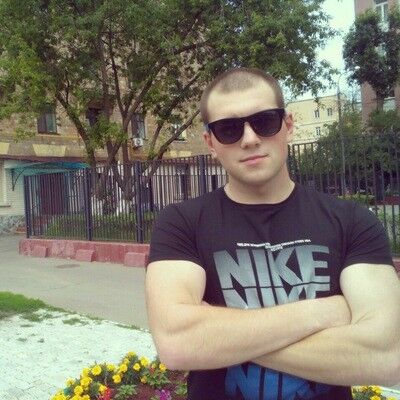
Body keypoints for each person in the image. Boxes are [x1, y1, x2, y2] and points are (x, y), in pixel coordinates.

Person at [145, 67, 400, 400]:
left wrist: (218, 338)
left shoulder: (352, 221)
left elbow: (386, 355)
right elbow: (177, 344)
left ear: (288, 125)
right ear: (210, 143)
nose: (250, 139)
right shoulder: (181, 223)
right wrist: (323, 312)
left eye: (265, 121)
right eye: (228, 129)